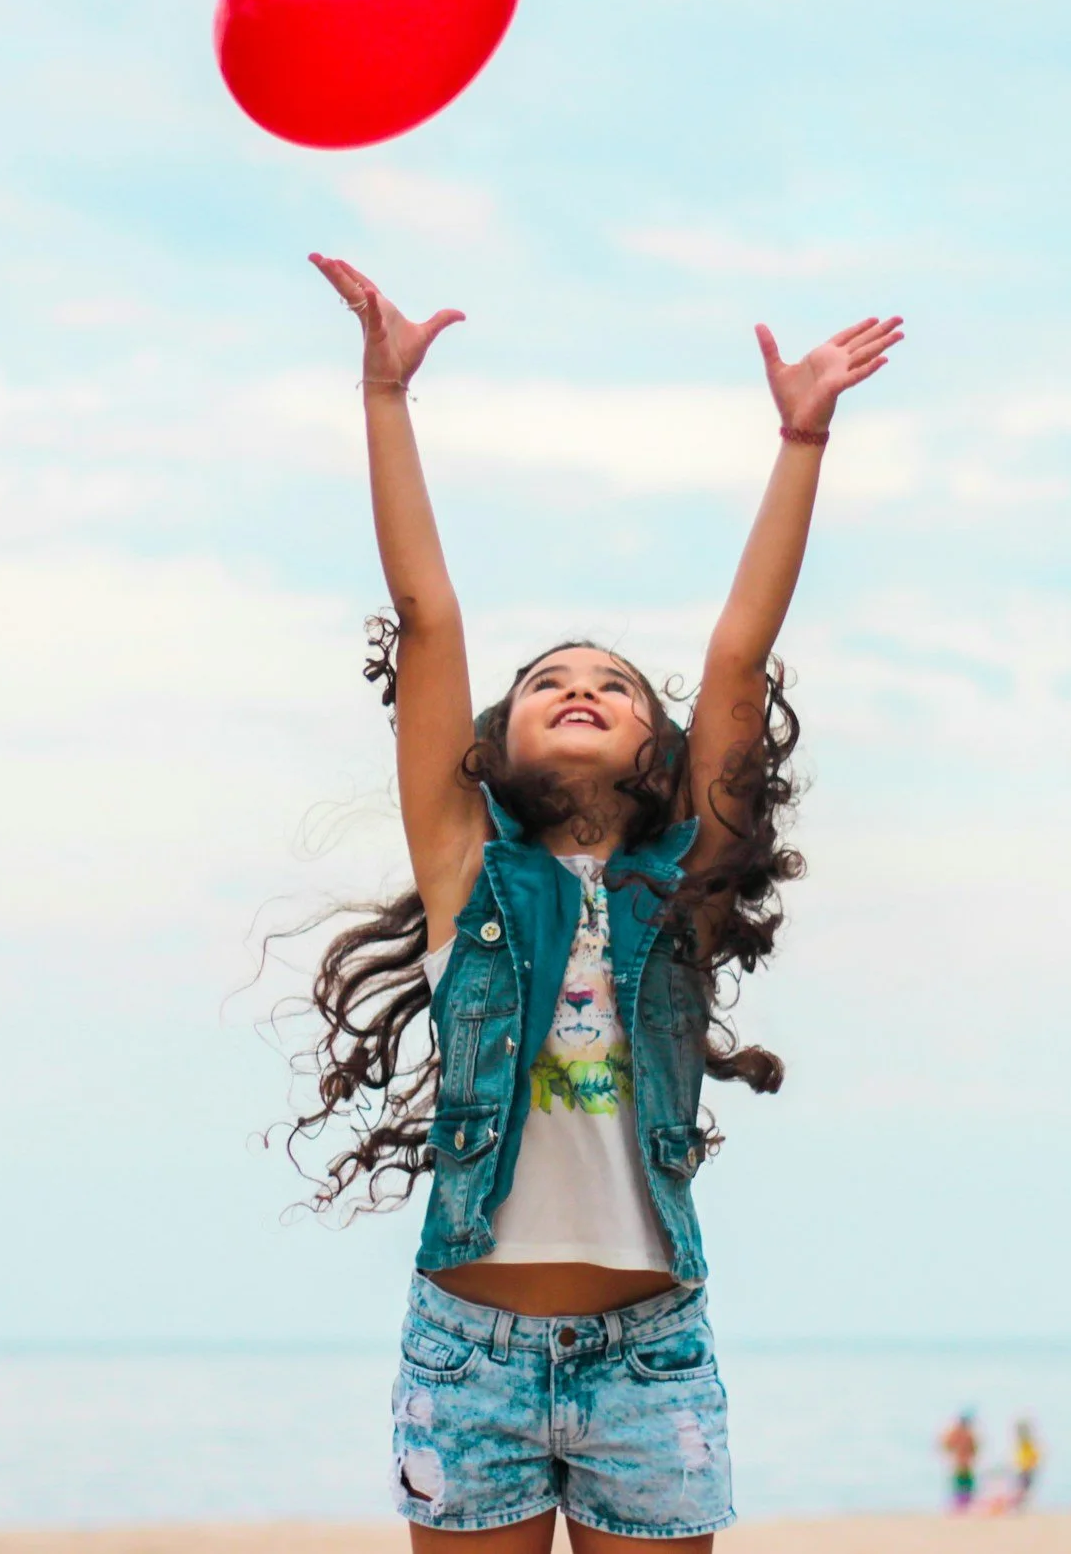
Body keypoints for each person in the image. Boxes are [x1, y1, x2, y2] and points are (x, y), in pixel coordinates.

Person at [291, 254, 901, 1552]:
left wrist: (802, 434)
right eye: (549, 680)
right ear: (496, 745)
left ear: (663, 754)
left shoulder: (678, 892)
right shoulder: (474, 876)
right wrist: (384, 396)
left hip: (650, 1349)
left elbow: (739, 651)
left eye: (614, 684)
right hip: (469, 1349)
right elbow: (427, 614)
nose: (579, 686)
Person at [940, 1411, 980, 1513]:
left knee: (963, 1486)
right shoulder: (965, 1434)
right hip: (962, 1464)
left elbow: (946, 1445)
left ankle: (961, 1508)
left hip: (962, 1464)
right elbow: (974, 1449)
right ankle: (961, 1508)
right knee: (963, 1486)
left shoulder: (962, 1434)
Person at [1014, 1417, 1042, 1511]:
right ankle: (1020, 1506)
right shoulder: (1024, 1444)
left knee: (1023, 1490)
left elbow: (1034, 1456)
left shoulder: (1028, 1444)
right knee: (1022, 1489)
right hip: (1024, 1470)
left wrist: (1031, 1465)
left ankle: (1021, 1506)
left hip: (1027, 1470)